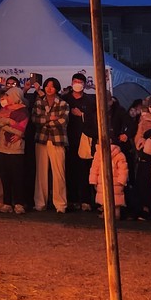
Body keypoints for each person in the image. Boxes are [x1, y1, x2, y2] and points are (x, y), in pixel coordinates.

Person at [32, 77, 69, 213]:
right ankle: (40, 203)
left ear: (57, 88)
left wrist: (45, 121)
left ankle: (60, 204)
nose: (49, 88)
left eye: (52, 86)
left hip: (57, 140)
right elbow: (35, 119)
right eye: (47, 86)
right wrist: (50, 118)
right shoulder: (39, 102)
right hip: (41, 139)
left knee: (59, 173)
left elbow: (63, 121)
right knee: (41, 173)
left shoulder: (63, 103)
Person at [61, 73, 97, 211]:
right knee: (70, 170)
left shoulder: (90, 100)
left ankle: (85, 200)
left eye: (80, 82)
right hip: (68, 138)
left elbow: (95, 118)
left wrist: (82, 114)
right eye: (75, 81)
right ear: (71, 83)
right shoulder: (65, 99)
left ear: (84, 84)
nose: (77, 84)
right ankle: (72, 199)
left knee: (84, 170)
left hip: (85, 139)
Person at [0, 86, 29, 213]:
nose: (5, 98)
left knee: (17, 176)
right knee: (5, 176)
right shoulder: (3, 110)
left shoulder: (23, 111)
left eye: (8, 95)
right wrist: (8, 121)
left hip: (16, 148)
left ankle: (18, 203)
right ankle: (6, 203)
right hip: (2, 147)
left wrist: (4, 126)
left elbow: (20, 130)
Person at [89, 141, 128, 219]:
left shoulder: (98, 154)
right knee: (116, 202)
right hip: (116, 182)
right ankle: (116, 215)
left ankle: (107, 215)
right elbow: (123, 170)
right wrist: (122, 181)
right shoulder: (119, 155)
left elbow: (94, 168)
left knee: (104, 199)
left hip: (102, 181)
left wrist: (94, 181)